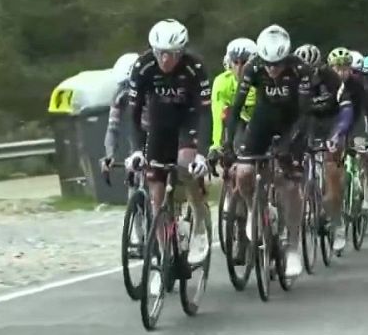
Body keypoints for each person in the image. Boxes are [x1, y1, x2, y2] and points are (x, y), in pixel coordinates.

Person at [221, 24, 313, 279]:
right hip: (262, 120)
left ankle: (293, 245)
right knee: (244, 171)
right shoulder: (254, 66)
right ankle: (254, 208)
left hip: (292, 122)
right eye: (268, 64)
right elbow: (237, 105)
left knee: (288, 184)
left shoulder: (300, 69)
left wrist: (290, 144)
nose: (272, 69)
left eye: (278, 64)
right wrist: (228, 142)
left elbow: (306, 113)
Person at [124, 19, 214, 263]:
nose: (165, 60)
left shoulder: (194, 67)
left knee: (186, 165)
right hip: (159, 124)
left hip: (188, 120)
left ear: (181, 51)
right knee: (156, 194)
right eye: (160, 53)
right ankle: (165, 258)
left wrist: (202, 154)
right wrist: (135, 150)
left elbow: (206, 113)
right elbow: (133, 113)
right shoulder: (142, 67)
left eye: (172, 54)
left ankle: (198, 224)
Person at [296, 43, 357, 255]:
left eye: (311, 71)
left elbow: (346, 108)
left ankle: (337, 221)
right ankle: (305, 202)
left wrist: (338, 133)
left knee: (332, 170)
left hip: (331, 122)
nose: (307, 76)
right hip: (309, 124)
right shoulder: (293, 79)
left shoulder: (331, 78)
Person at [210, 38, 260, 162]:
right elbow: (217, 115)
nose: (239, 69)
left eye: (244, 63)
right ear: (228, 62)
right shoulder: (222, 81)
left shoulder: (262, 79)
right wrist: (216, 145)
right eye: (235, 62)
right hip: (237, 122)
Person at [102, 51, 142, 171]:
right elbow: (112, 128)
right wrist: (109, 155)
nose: (127, 91)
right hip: (137, 144)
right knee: (132, 175)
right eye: (123, 85)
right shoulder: (119, 95)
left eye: (129, 85)